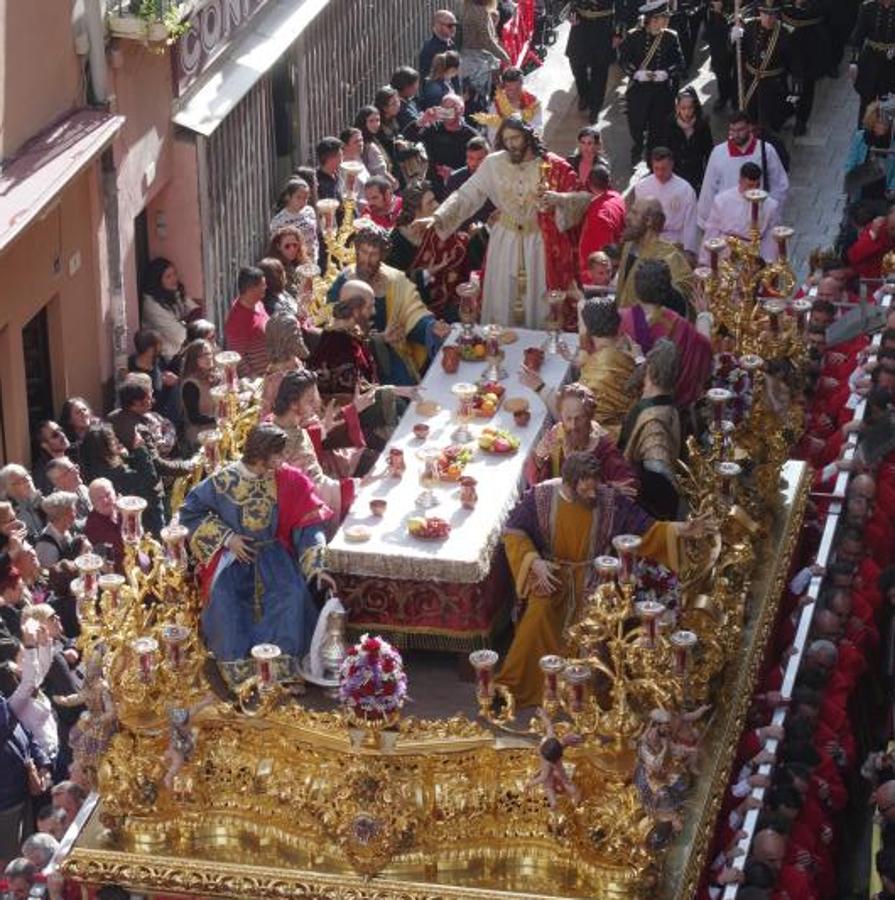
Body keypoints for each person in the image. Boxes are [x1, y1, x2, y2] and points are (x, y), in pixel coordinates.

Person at [496, 451, 700, 707]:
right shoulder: (540, 497)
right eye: (586, 490)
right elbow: (514, 531)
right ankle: (516, 688)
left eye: (595, 488)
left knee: (596, 626)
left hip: (596, 578)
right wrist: (534, 562)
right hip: (554, 576)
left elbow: (647, 530)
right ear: (569, 485)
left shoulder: (609, 501)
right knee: (537, 616)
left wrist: (681, 529)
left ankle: (586, 697)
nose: (594, 495)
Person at [179, 423, 334, 688]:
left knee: (290, 596)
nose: (283, 459)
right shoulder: (223, 481)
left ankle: (282, 670)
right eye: (279, 454)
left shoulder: (289, 480)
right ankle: (241, 672)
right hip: (236, 560)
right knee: (226, 602)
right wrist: (228, 538)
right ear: (262, 454)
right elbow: (190, 512)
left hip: (274, 557)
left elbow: (309, 523)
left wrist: (317, 566)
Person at [426, 116, 583, 328]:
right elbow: (467, 194)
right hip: (504, 239)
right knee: (502, 293)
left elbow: (582, 200)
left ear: (528, 136)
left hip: (538, 241)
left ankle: (535, 345)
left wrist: (559, 199)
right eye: (506, 139)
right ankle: (498, 342)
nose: (511, 144)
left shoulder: (553, 165)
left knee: (537, 294)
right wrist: (439, 216)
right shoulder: (493, 163)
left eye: (515, 138)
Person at [328, 225, 451, 384]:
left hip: (390, 354)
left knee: (406, 388)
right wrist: (378, 339)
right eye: (363, 252)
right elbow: (333, 325)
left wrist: (430, 326)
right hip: (354, 356)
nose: (367, 259)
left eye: (373, 254)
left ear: (382, 256)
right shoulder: (344, 280)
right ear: (357, 251)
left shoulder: (394, 280)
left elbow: (412, 313)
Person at [619, 258, 712, 406]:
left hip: (621, 403)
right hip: (665, 407)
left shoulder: (620, 319)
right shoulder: (679, 325)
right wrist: (704, 316)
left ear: (636, 287)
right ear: (667, 289)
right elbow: (705, 351)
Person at [524, 382, 637, 493]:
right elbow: (539, 484)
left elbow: (630, 485)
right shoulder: (557, 435)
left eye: (579, 418)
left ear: (589, 417)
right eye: (568, 418)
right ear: (561, 417)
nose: (573, 426)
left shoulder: (603, 447)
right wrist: (539, 461)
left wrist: (602, 489)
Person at [389, 181, 470, 320]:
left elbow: (460, 250)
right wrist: (427, 273)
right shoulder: (397, 241)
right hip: (416, 310)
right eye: (430, 203)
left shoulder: (438, 225)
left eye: (435, 200)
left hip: (451, 299)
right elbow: (397, 283)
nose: (437, 205)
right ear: (415, 210)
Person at [619, 339, 681, 518]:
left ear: (651, 370)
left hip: (641, 503)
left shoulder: (654, 421)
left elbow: (660, 474)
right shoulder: (668, 404)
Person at [618, 1, 685, 166]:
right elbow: (623, 60)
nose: (666, 21)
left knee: (657, 129)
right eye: (663, 18)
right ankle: (637, 147)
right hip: (639, 91)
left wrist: (666, 73)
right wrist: (636, 73)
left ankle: (651, 160)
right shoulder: (634, 36)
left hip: (662, 92)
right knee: (636, 126)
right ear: (653, 19)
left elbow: (680, 62)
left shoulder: (671, 36)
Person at [697, 111, 789, 229]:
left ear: (750, 127)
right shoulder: (718, 153)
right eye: (732, 130)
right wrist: (705, 220)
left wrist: (770, 210)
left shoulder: (766, 150)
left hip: (758, 216)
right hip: (728, 219)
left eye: (740, 130)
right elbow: (709, 187)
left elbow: (780, 184)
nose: (735, 135)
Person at [79, 424, 163, 536]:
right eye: (113, 439)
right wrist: (140, 449)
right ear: (107, 446)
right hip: (144, 522)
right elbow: (149, 477)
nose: (117, 441)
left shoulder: (90, 470)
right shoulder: (115, 472)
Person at [572, 298, 637, 440]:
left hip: (606, 438)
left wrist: (541, 388)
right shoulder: (627, 345)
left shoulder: (597, 374)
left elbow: (577, 418)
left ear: (588, 330)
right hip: (630, 425)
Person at [615, 198, 693, 311]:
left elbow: (685, 293)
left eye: (634, 213)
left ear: (649, 221)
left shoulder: (669, 255)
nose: (627, 217)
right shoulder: (629, 247)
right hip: (624, 323)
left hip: (649, 325)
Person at [701, 161, 781, 263]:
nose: (753, 190)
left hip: (756, 254)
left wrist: (770, 261)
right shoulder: (722, 200)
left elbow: (771, 237)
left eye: (757, 186)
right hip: (727, 252)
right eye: (749, 185)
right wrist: (705, 260)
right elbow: (712, 230)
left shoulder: (770, 205)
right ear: (740, 180)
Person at [733, 1, 794, 133]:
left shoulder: (785, 34)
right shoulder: (750, 27)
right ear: (759, 13)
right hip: (751, 81)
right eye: (765, 13)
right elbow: (739, 53)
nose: (769, 18)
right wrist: (733, 39)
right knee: (751, 113)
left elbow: (793, 63)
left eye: (772, 14)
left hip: (773, 84)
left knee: (772, 117)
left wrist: (797, 85)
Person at [632, 147, 699, 256]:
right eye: (656, 168)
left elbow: (690, 223)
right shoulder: (642, 186)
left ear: (671, 165)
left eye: (663, 169)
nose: (659, 173)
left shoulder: (685, 189)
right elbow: (638, 217)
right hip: (649, 240)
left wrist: (689, 250)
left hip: (675, 241)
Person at [417, 94, 480, 199]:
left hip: (461, 189)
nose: (447, 112)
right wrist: (423, 120)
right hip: (433, 187)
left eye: (452, 108)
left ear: (461, 110)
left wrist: (455, 174)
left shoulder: (472, 136)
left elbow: (480, 166)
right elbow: (408, 138)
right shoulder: (434, 128)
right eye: (444, 108)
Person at [565, 1, 618, 121]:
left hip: (604, 26)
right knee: (577, 65)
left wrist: (619, 32)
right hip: (580, 24)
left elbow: (624, 5)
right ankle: (584, 95)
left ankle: (595, 107)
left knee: (600, 69)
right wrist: (571, 12)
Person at [783, 0, 830, 136]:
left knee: (807, 86)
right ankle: (786, 112)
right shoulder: (784, 5)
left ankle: (801, 120)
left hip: (810, 45)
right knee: (781, 81)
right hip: (785, 42)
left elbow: (827, 15)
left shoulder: (816, 6)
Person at [140, 258, 200, 360]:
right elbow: (180, 335)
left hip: (183, 349)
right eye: (168, 277)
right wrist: (188, 323)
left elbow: (196, 311)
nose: (174, 279)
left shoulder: (173, 292)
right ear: (157, 281)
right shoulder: (151, 305)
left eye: (175, 274)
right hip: (168, 357)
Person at [577, 165, 627, 281]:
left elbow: (603, 257)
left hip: (599, 278)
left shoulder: (599, 215)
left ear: (588, 183)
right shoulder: (617, 198)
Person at [849, 0, 895, 126]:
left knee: (888, 104)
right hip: (870, 60)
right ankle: (863, 136)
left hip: (892, 64)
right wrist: (854, 61)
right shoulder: (868, 6)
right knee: (866, 100)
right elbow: (858, 35)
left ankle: (884, 139)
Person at [472, 67, 544, 142]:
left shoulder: (533, 102)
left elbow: (538, 128)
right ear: (504, 87)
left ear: (522, 84)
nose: (514, 93)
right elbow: (493, 134)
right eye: (510, 90)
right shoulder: (496, 105)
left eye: (517, 89)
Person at [844, 100, 895, 203]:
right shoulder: (860, 137)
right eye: (880, 122)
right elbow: (850, 162)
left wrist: (892, 188)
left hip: (883, 193)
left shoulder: (892, 143)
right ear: (872, 122)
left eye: (886, 122)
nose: (884, 125)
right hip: (862, 190)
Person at [459, 0, 510, 102]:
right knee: (480, 97)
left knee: (472, 96)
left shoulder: (467, 8)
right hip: (478, 60)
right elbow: (487, 41)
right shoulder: (480, 12)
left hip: (468, 57)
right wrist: (504, 57)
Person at [665, 87, 714, 192]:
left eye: (690, 108)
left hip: (696, 173)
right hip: (676, 173)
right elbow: (666, 149)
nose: (687, 112)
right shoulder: (670, 124)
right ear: (677, 108)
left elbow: (709, 150)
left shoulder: (702, 125)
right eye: (683, 108)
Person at [223, 267, 269, 378]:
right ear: (251, 289)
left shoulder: (258, 304)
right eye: (262, 285)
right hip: (261, 380)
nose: (266, 287)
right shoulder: (236, 320)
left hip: (271, 370)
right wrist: (256, 382)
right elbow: (238, 359)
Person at [178, 339, 219, 453]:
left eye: (209, 353)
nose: (208, 358)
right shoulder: (191, 384)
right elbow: (194, 418)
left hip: (217, 435)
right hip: (199, 439)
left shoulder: (214, 378)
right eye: (202, 356)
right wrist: (219, 419)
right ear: (194, 360)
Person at [269, 177, 318, 263]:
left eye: (305, 198)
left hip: (313, 261)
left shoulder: (310, 211)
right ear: (288, 197)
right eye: (298, 198)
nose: (302, 202)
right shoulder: (279, 221)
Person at [84, 478, 124, 574]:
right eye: (99, 498)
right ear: (93, 503)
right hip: (118, 574)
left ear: (114, 493)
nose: (105, 500)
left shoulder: (123, 509)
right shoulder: (93, 525)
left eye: (108, 494)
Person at [705, 0, 737, 112]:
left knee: (738, 71)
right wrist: (717, 8)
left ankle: (736, 100)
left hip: (738, 25)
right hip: (718, 38)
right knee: (721, 71)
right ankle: (723, 97)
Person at [34, 493, 80, 570]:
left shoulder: (67, 530)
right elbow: (51, 576)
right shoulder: (46, 546)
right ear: (61, 515)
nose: (75, 515)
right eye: (73, 511)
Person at [0, 466, 45, 543]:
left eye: (27, 476)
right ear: (9, 487)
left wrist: (37, 497)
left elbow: (54, 513)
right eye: (21, 480)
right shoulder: (7, 511)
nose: (28, 481)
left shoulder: (33, 498)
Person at [354, 105, 396, 184]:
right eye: (371, 121)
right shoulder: (367, 145)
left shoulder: (375, 139)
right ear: (363, 122)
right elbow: (380, 172)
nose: (376, 124)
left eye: (378, 120)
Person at [44, 458, 90, 527]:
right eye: (71, 470)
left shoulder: (83, 489)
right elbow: (72, 527)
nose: (77, 471)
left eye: (76, 467)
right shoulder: (57, 504)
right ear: (58, 480)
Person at [419, 8, 459, 87]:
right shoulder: (430, 48)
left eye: (455, 25)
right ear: (438, 25)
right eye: (450, 26)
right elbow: (427, 76)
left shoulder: (451, 44)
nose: (454, 29)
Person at [31, 421, 72, 496]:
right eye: (55, 435)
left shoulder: (74, 457)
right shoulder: (43, 472)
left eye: (61, 430)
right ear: (45, 445)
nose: (62, 435)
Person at [566, 125, 611, 190]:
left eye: (589, 143)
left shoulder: (602, 166)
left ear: (597, 145)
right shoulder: (571, 161)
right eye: (583, 143)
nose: (585, 147)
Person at [58, 397, 96, 464]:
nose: (83, 413)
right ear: (69, 420)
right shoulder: (66, 443)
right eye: (78, 412)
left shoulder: (101, 433)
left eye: (84, 409)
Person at [315, 136, 344, 203]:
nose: (342, 158)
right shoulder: (316, 182)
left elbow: (348, 208)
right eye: (340, 155)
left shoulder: (338, 175)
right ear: (330, 158)